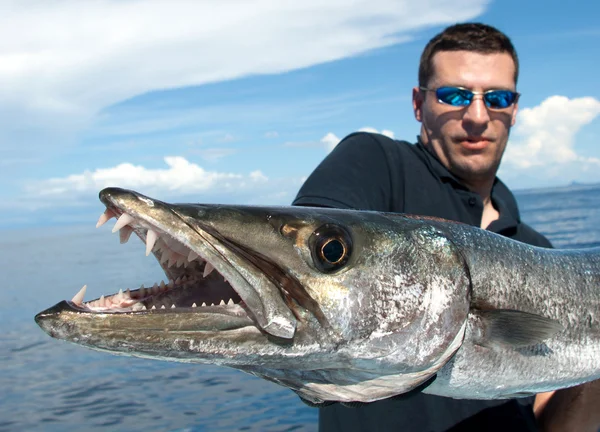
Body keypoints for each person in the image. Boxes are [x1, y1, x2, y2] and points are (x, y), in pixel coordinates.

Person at [292, 23, 600, 431]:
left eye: (497, 98)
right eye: (454, 95)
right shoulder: (377, 163)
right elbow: (305, 274)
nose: (476, 116)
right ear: (419, 105)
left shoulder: (536, 247)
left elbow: (555, 422)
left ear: (514, 109)